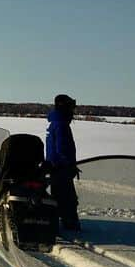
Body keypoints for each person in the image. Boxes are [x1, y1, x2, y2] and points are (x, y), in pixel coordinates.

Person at [46, 94, 80, 231]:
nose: (73, 112)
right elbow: (63, 149)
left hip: (56, 167)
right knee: (67, 199)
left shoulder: (56, 123)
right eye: (71, 108)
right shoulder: (61, 125)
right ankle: (69, 224)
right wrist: (68, 164)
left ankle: (59, 221)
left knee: (59, 196)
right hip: (61, 169)